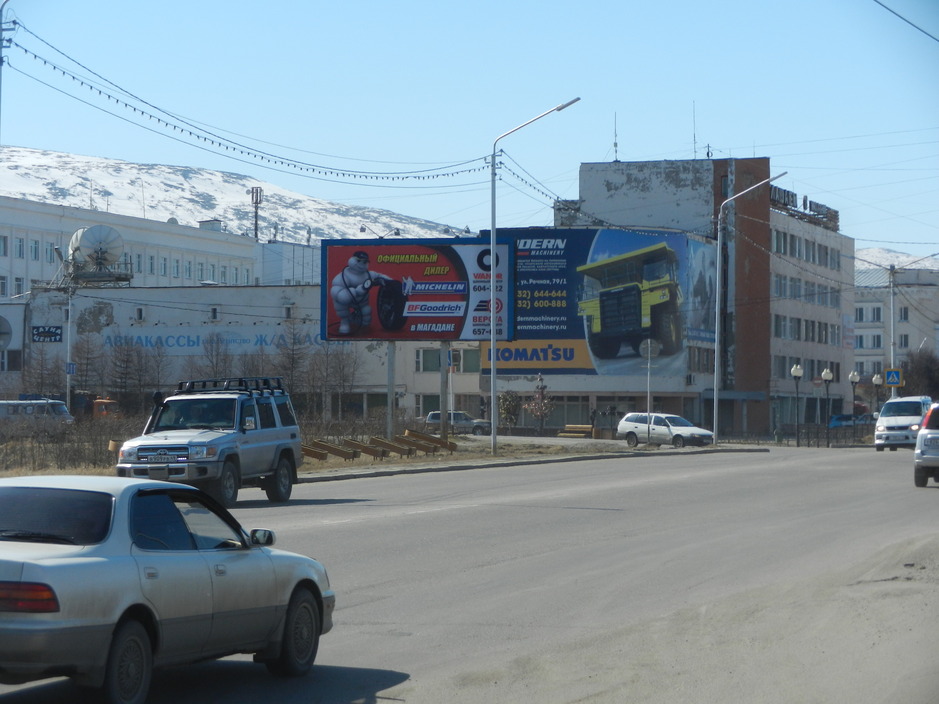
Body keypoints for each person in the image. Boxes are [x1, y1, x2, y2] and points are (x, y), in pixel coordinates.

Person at [329, 251, 392, 334]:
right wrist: (356, 291)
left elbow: (380, 276)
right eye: (358, 261)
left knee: (366, 312)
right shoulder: (343, 276)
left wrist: (388, 282)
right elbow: (337, 293)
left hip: (362, 301)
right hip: (346, 301)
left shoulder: (368, 275)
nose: (361, 264)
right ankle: (345, 322)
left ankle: (362, 325)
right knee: (341, 308)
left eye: (364, 262)